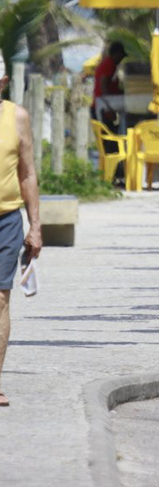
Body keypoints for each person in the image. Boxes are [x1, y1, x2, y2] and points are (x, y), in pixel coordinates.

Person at [0, 56, 42, 407]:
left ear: (2, 81)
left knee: (0, 300)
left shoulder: (17, 117)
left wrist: (36, 227)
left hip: (6, 220)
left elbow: (28, 174)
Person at [92, 42, 127, 132]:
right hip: (102, 107)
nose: (121, 59)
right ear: (117, 54)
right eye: (121, 55)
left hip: (102, 105)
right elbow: (103, 85)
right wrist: (108, 108)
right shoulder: (109, 64)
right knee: (108, 137)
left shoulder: (109, 64)